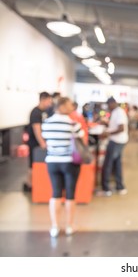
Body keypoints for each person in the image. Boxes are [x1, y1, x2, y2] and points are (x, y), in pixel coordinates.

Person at [41, 97, 84, 238]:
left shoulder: (46, 123)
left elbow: (45, 139)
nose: (72, 107)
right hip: (69, 162)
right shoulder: (73, 124)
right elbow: (81, 139)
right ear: (63, 106)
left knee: (55, 194)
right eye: (70, 105)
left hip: (52, 162)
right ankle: (69, 226)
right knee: (70, 195)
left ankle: (54, 227)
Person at [99, 97, 129, 196]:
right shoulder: (116, 112)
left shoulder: (119, 112)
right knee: (117, 165)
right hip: (119, 140)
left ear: (112, 103)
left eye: (108, 105)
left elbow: (121, 128)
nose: (108, 107)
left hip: (116, 141)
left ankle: (106, 189)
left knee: (108, 164)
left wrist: (108, 133)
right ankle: (120, 187)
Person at [23, 92, 52, 192]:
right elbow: (37, 129)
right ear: (43, 100)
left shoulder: (45, 112)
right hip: (34, 143)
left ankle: (36, 184)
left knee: (38, 164)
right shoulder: (35, 112)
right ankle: (28, 184)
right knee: (33, 164)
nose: (50, 103)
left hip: (41, 142)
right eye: (48, 101)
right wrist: (42, 143)